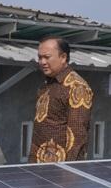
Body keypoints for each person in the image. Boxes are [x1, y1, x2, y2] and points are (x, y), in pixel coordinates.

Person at [29, 35, 93, 163]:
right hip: (38, 164)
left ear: (63, 57)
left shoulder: (76, 87)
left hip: (59, 168)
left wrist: (69, 170)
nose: (42, 62)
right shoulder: (47, 84)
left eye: (47, 57)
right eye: (40, 57)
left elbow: (77, 136)